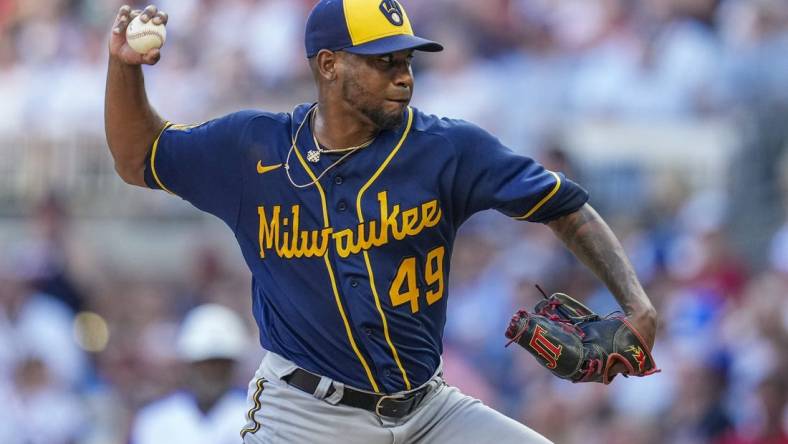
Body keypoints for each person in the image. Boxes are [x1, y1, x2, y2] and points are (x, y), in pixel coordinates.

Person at [104, 1, 658, 442]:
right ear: (329, 64)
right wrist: (125, 70)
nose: (404, 77)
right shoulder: (253, 148)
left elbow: (565, 205)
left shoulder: (447, 148)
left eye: (407, 61)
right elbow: (138, 157)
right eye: (384, 61)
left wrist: (637, 303)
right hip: (305, 418)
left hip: (429, 411)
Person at [130, 304, 250, 444]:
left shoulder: (256, 419)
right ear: (188, 365)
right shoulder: (155, 420)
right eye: (205, 365)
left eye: (220, 365)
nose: (212, 373)